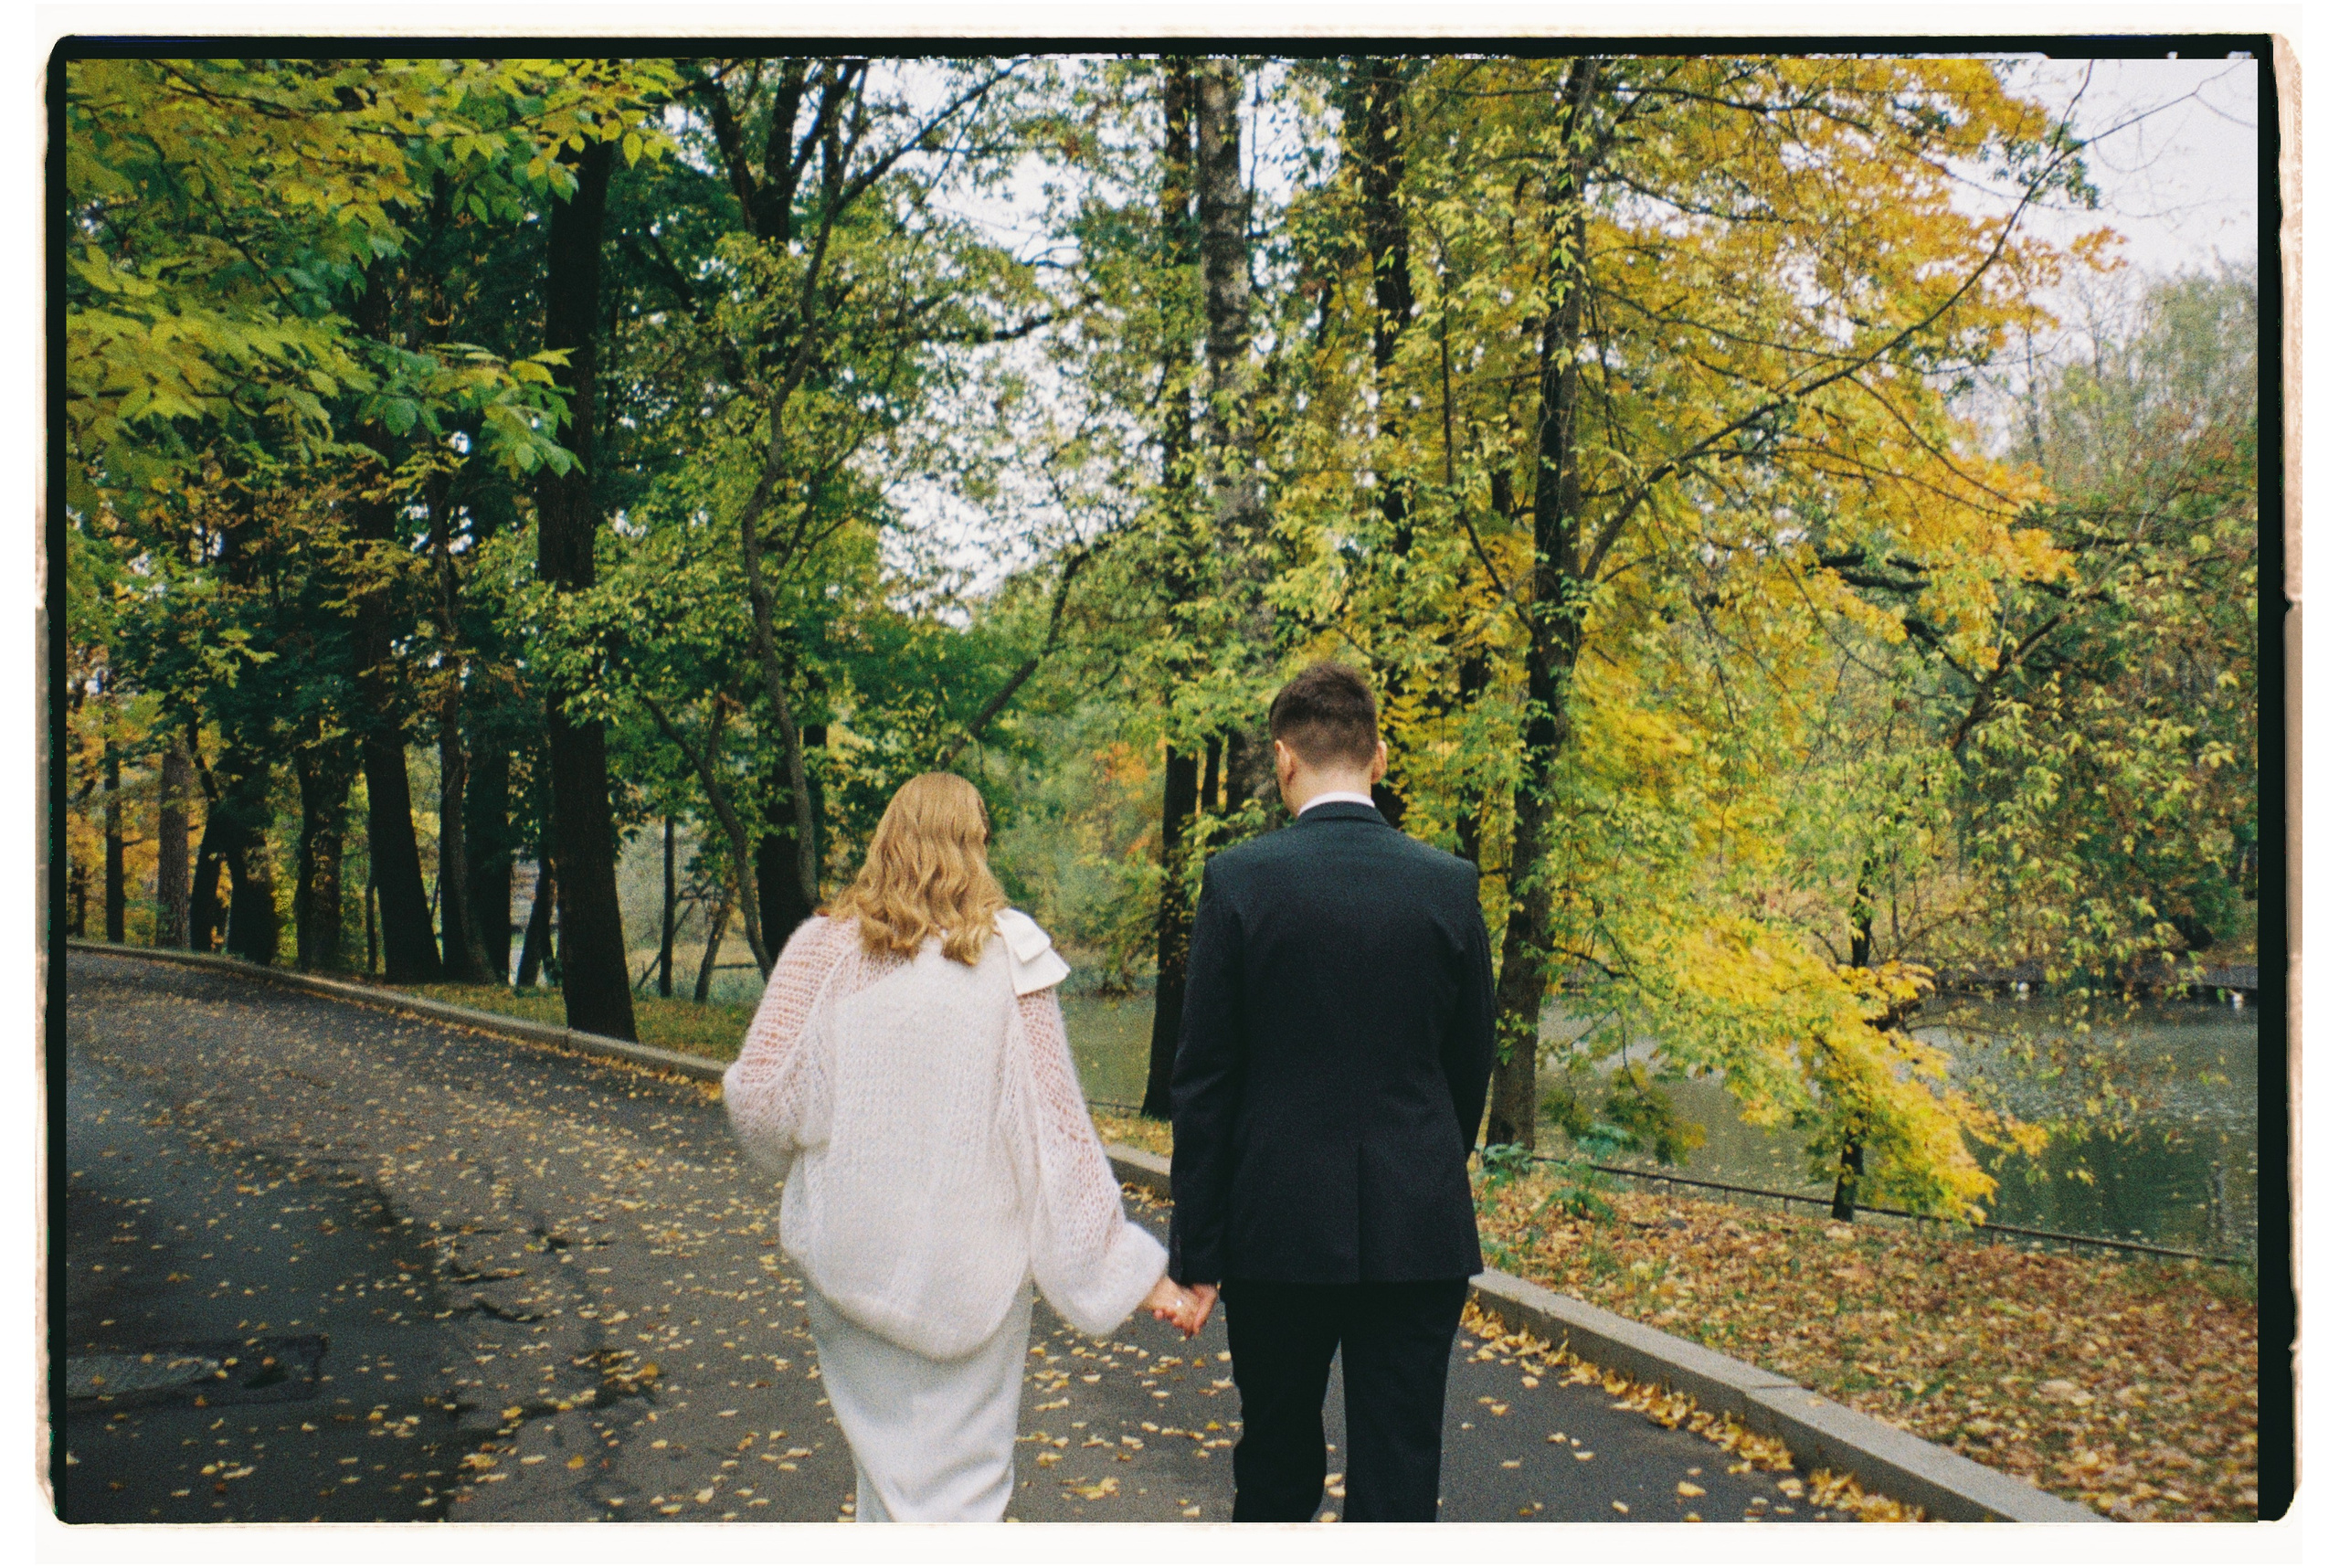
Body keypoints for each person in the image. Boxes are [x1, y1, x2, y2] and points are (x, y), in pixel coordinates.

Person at [723, 771, 1197, 1523]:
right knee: (963, 1500)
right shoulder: (1009, 959)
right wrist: (1139, 1275)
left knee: (884, 1485)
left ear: (888, 840)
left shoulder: (822, 950)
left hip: (851, 1266)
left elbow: (760, 1099)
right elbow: (1056, 1140)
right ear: (975, 846)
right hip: (970, 1282)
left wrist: (823, 1149)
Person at [1165, 662, 1498, 1522]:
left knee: (1274, 1465)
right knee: (1399, 1469)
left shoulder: (1239, 881)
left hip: (1276, 1225)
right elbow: (1470, 1063)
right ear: (1378, 757)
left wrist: (1197, 1253)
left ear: (1283, 760)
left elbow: (1204, 1081)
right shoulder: (1449, 884)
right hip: (1418, 1223)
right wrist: (1424, 1160)